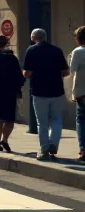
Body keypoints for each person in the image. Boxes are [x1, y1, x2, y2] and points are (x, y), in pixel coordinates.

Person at [23, 28, 69, 161]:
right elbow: (66, 72)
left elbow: (28, 73)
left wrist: (24, 74)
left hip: (39, 91)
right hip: (57, 91)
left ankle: (44, 150)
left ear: (33, 38)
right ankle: (53, 143)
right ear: (45, 37)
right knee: (56, 119)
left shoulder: (31, 50)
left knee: (41, 122)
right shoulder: (57, 50)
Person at [68, 26, 85, 162]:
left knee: (81, 121)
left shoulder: (78, 52)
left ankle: (83, 150)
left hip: (82, 92)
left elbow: (72, 70)